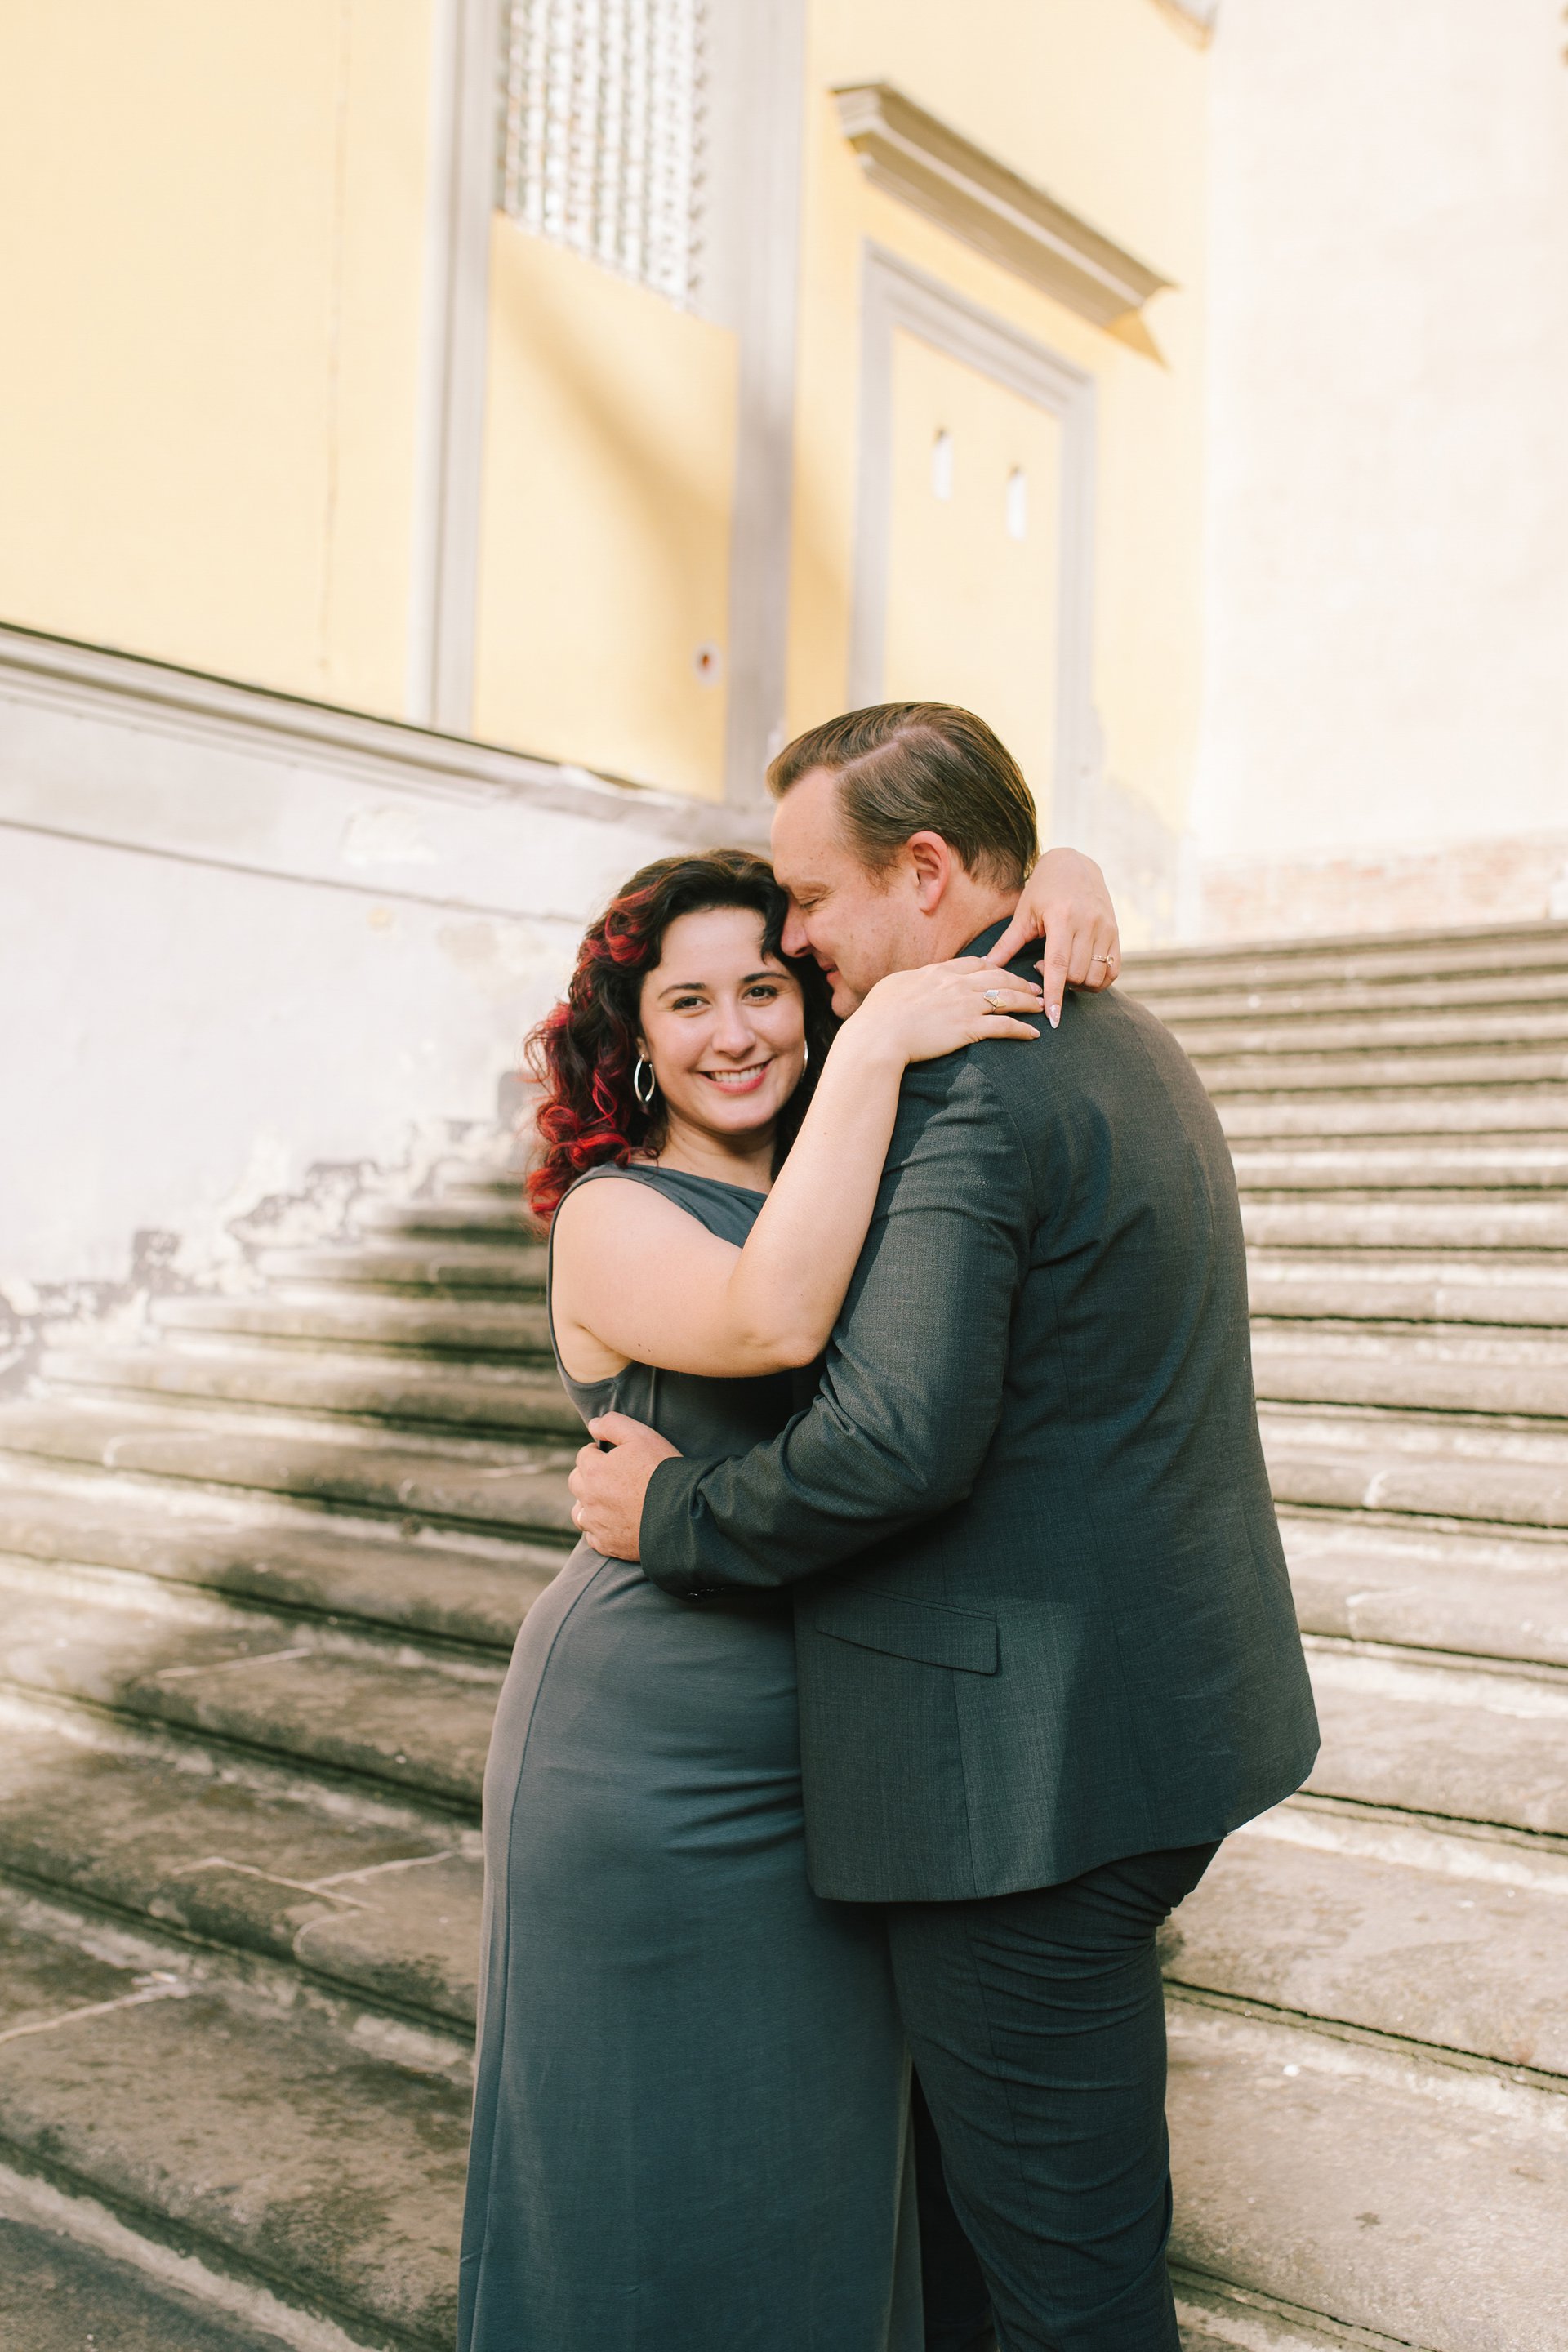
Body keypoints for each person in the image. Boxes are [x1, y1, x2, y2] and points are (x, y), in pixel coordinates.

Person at [570, 702, 1321, 2352]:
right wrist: (1057, 868)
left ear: (924, 872)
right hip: (1135, 1724)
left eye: (810, 902)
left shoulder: (967, 1084)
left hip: (1020, 1793)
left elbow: (892, 1444)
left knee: (1068, 2288)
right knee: (977, 2241)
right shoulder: (1106, 1023)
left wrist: (671, 1508)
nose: (796, 941)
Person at [457, 830, 1121, 2352]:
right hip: (648, 1758)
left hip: (840, 1755)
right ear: (634, 1039)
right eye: (687, 1003)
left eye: (765, 986)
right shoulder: (616, 1211)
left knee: (812, 2183)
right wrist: (880, 1038)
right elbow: (770, 1323)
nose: (736, 1031)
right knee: (643, 2178)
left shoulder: (860, 1160)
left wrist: (1065, 872)